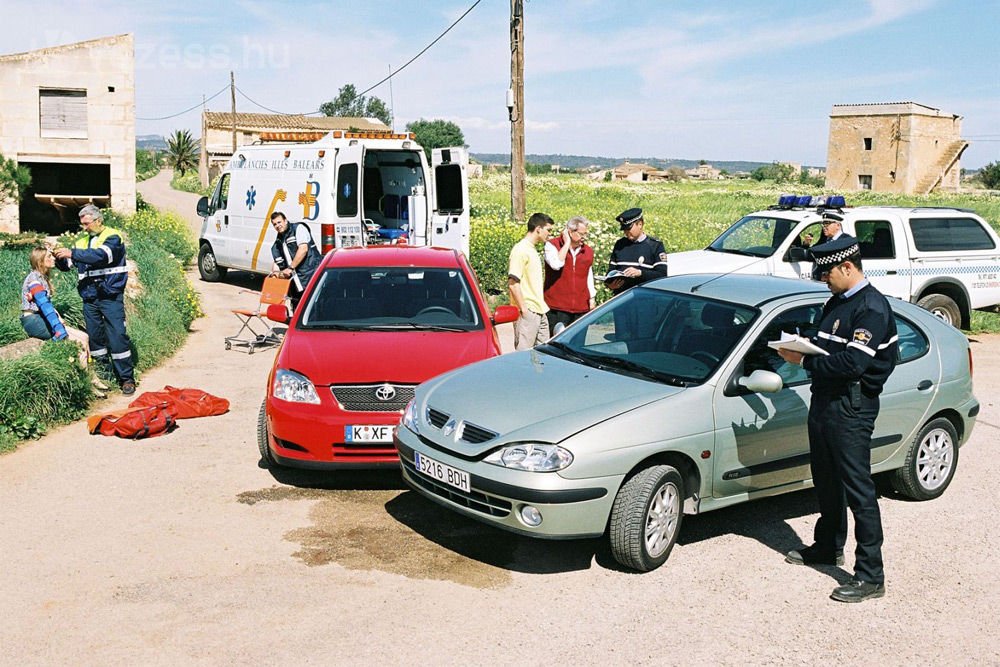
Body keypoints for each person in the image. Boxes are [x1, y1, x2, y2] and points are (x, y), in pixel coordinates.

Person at [776, 235, 898, 603]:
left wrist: (806, 361)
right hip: (826, 400)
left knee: (859, 490)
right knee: (826, 479)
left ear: (847, 267)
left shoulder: (871, 309)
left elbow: (853, 363)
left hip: (852, 406)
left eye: (827, 271)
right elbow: (825, 343)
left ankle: (870, 576)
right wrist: (799, 343)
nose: (822, 278)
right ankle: (828, 544)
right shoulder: (837, 301)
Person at [54, 204, 135, 395]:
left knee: (117, 337)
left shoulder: (113, 236)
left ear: (98, 220)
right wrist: (58, 256)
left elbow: (102, 256)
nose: (84, 228)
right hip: (90, 297)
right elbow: (68, 265)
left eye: (87, 224)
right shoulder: (82, 242)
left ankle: (126, 379)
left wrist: (71, 253)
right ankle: (104, 376)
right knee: (96, 339)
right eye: (82, 224)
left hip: (110, 295)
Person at [20, 246, 107, 389]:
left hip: (41, 318)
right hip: (33, 321)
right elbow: (44, 305)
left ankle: (93, 377)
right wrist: (59, 328)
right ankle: (87, 384)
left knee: (84, 337)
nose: (54, 258)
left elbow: (47, 306)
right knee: (78, 343)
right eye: (49, 256)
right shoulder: (34, 279)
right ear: (40, 261)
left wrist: (58, 317)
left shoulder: (42, 277)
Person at [508, 212, 553, 350]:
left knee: (543, 355)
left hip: (540, 309)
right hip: (529, 310)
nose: (550, 234)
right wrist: (524, 310)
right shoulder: (520, 250)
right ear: (538, 229)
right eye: (548, 230)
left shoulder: (531, 249)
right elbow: (513, 283)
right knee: (524, 355)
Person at [543, 216, 596, 331]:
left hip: (581, 308)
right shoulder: (552, 245)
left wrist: (592, 298)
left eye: (586, 234)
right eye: (582, 234)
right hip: (557, 307)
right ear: (570, 232)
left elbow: (588, 275)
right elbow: (556, 264)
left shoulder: (588, 251)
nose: (584, 238)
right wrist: (567, 243)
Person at [605, 208, 668, 295]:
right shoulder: (620, 244)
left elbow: (662, 275)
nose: (626, 232)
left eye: (629, 229)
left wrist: (640, 273)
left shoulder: (655, 246)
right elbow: (610, 271)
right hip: (621, 299)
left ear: (640, 224)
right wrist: (610, 284)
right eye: (624, 230)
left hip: (645, 299)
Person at [269, 211, 322, 310]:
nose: (277, 226)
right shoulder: (279, 241)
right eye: (275, 224)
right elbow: (277, 260)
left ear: (285, 220)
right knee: (297, 309)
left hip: (309, 276)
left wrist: (290, 268)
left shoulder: (298, 229)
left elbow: (303, 249)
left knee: (313, 307)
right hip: (295, 282)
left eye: (279, 222)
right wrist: (275, 274)